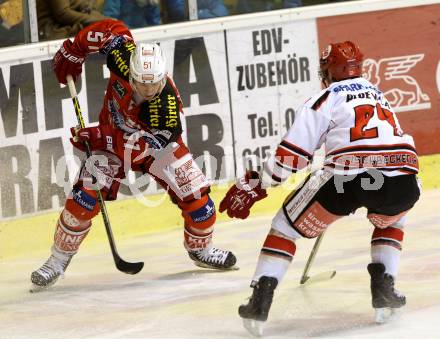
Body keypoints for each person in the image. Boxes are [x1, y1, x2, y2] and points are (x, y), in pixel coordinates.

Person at [219, 41, 420, 335]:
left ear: (327, 72)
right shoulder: (379, 95)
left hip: (346, 179)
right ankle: (384, 286)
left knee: (285, 227)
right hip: (404, 176)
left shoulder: (325, 98)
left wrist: (257, 181)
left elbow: (291, 158)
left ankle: (260, 299)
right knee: (394, 219)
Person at [31, 19, 237, 289]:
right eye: (142, 84)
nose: (149, 90)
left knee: (200, 203)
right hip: (110, 138)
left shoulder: (165, 109)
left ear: (163, 77)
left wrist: (98, 136)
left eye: (155, 84)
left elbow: (141, 147)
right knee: (82, 202)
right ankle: (57, 261)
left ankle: (202, 249)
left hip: (155, 147)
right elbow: (111, 28)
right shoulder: (122, 56)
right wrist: (74, 49)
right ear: (131, 73)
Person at [36, 0, 109, 41]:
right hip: (53, 32)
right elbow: (62, 14)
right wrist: (99, 21)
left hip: (68, 28)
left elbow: (87, 8)